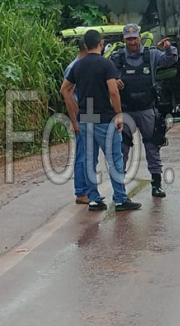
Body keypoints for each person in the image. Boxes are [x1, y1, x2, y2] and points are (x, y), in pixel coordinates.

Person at [61, 29, 142, 211]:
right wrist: (119, 114)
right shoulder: (106, 64)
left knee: (90, 158)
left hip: (87, 114)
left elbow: (65, 89)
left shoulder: (77, 66)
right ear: (101, 44)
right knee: (114, 158)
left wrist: (76, 112)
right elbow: (113, 91)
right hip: (105, 116)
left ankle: (93, 199)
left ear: (85, 45)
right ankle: (120, 199)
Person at [109, 23, 178, 198]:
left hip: (147, 108)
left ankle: (156, 184)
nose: (132, 42)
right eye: (128, 39)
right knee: (122, 148)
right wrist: (115, 80)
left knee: (152, 146)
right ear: (124, 39)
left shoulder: (152, 54)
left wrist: (169, 48)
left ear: (139, 37)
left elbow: (170, 60)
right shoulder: (116, 58)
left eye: (134, 38)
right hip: (125, 110)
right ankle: (120, 189)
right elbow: (106, 77)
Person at [64, 38, 89, 205]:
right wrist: (75, 121)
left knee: (89, 154)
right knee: (82, 154)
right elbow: (67, 95)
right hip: (80, 116)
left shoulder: (84, 65)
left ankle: (88, 190)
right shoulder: (75, 67)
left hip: (88, 114)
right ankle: (81, 192)